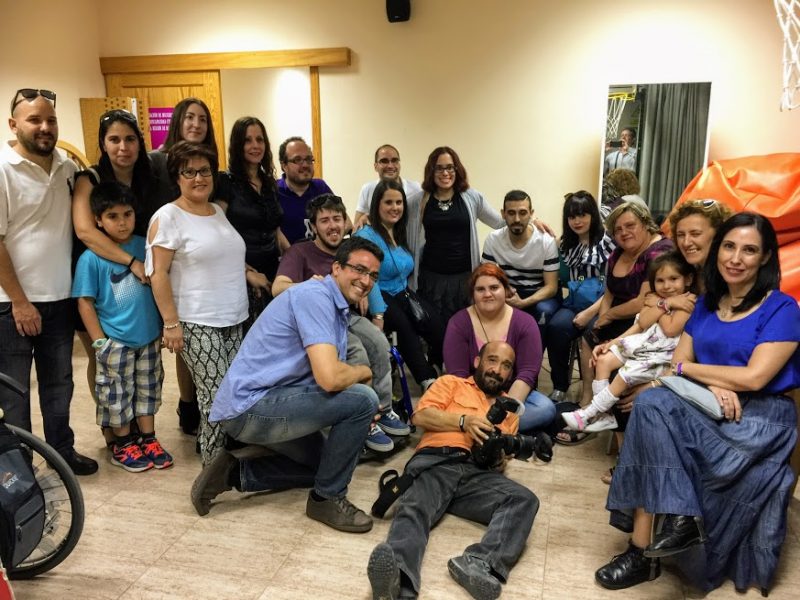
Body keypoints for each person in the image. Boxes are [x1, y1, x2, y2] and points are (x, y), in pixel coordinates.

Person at [596, 213, 799, 595]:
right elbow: (678, 364)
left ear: (766, 257)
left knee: (652, 404)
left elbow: (754, 378)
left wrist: (702, 374)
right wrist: (710, 383)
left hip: (759, 419)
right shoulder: (706, 304)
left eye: (749, 250)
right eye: (729, 246)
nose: (736, 258)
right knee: (652, 405)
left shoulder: (782, 309)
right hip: (711, 405)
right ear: (718, 251)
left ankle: (643, 552)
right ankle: (668, 528)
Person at [195, 238, 383, 534]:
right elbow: (331, 378)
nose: (366, 280)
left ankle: (235, 473)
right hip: (250, 407)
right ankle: (327, 498)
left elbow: (325, 376)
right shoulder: (316, 298)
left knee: (330, 463)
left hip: (266, 402)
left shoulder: (332, 304)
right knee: (363, 400)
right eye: (359, 269)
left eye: (373, 275)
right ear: (336, 268)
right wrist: (362, 372)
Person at [367, 341, 539, 600]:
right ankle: (398, 580)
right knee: (415, 509)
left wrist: (497, 455)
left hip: (477, 476)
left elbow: (501, 460)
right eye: (492, 360)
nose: (498, 370)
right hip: (438, 461)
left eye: (506, 366)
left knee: (524, 500)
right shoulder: (450, 383)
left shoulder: (509, 411)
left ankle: (479, 564)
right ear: (477, 362)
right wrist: (463, 422)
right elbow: (420, 416)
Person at [0, 88, 97, 476]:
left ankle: (61, 454)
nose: (44, 127)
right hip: (11, 306)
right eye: (34, 120)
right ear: (13, 125)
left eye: (51, 120)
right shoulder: (3, 169)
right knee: (15, 393)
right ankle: (18, 468)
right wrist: (21, 302)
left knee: (59, 387)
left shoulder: (67, 169)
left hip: (59, 298)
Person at [272, 194, 408, 453]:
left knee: (379, 342)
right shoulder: (299, 251)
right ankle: (366, 419)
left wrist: (377, 314)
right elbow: (279, 288)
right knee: (356, 350)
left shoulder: (353, 249)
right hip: (318, 319)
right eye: (324, 220)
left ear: (346, 221)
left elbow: (372, 278)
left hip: (349, 316)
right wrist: (320, 285)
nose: (333, 225)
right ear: (313, 226)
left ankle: (384, 409)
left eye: (337, 218)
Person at [72, 108, 174, 446]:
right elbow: (85, 231)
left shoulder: (150, 177)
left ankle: (142, 434)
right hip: (103, 274)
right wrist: (129, 260)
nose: (123, 147)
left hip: (140, 282)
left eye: (130, 139)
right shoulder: (91, 178)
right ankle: (116, 435)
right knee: (106, 366)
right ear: (103, 144)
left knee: (142, 372)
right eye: (114, 139)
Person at [147, 141, 253, 465]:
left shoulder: (217, 211)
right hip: (196, 322)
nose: (198, 177)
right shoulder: (168, 217)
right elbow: (158, 273)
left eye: (204, 170)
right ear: (176, 177)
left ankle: (229, 462)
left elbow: (222, 255)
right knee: (215, 398)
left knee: (234, 393)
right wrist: (171, 323)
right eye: (189, 171)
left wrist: (252, 274)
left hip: (234, 317)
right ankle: (211, 471)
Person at [562, 251, 695, 432]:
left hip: (661, 354)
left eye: (673, 279)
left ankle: (589, 414)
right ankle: (606, 414)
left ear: (687, 279)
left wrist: (664, 304)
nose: (667, 286)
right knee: (603, 360)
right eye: (660, 281)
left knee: (623, 376)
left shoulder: (686, 302)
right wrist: (614, 342)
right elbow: (643, 323)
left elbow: (670, 329)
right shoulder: (660, 300)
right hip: (643, 343)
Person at [149, 97, 219, 435]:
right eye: (189, 118)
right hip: (172, 258)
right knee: (185, 342)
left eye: (202, 119)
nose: (195, 124)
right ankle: (188, 407)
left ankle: (197, 410)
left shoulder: (212, 168)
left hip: (205, 266)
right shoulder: (157, 163)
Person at [578, 202, 673, 405]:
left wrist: (609, 316)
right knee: (589, 333)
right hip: (620, 314)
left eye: (630, 225)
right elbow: (609, 292)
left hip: (649, 320)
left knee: (609, 354)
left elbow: (642, 301)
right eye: (618, 229)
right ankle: (588, 398)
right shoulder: (617, 253)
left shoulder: (659, 252)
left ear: (646, 224)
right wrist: (601, 321)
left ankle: (608, 407)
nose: (624, 233)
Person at [444, 264, 557, 434]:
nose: (487, 294)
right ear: (473, 295)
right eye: (480, 289)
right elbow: (457, 376)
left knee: (545, 408)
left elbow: (527, 373)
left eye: (494, 288)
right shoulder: (458, 323)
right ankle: (497, 432)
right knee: (440, 403)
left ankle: (482, 430)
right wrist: (477, 408)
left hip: (510, 394)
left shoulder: (525, 322)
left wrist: (502, 410)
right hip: (470, 395)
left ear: (506, 290)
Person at [354, 179, 443, 393]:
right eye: (388, 203)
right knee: (404, 328)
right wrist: (378, 315)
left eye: (399, 202)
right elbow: (368, 276)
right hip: (379, 292)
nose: (395, 208)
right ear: (377, 205)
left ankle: (452, 371)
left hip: (402, 292)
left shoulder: (400, 232)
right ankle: (426, 379)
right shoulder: (365, 234)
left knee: (438, 325)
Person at [407, 146, 504, 323]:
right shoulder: (418, 201)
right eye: (439, 168)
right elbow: (392, 219)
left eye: (450, 167)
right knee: (436, 333)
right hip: (431, 281)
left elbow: (499, 223)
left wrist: (532, 220)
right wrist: (367, 216)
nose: (445, 172)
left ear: (457, 169)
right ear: (431, 170)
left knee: (464, 330)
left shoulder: (472, 197)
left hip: (464, 279)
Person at [544, 191, 614, 404]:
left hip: (602, 305)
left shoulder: (608, 243)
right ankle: (559, 386)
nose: (578, 221)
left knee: (591, 334)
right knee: (555, 327)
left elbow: (613, 288)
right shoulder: (565, 244)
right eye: (572, 216)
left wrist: (589, 312)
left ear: (593, 215)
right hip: (574, 303)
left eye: (583, 215)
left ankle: (591, 394)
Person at [216, 116, 285, 329]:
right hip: (240, 273)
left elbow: (275, 230)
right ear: (238, 145)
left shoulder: (269, 183)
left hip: (272, 269)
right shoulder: (225, 182)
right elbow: (218, 234)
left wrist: (296, 258)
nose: (255, 146)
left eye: (260, 140)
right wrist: (246, 272)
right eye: (248, 140)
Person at [481, 189, 560, 337]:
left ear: (531, 213)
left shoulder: (545, 241)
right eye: (511, 213)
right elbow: (487, 277)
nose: (517, 219)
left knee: (543, 312)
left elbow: (551, 287)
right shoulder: (493, 240)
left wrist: (524, 303)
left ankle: (532, 358)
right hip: (509, 292)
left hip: (540, 295)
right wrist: (505, 290)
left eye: (523, 213)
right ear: (503, 214)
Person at [276, 136, 337, 245]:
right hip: (286, 259)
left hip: (320, 257)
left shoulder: (321, 187)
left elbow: (345, 223)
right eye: (297, 160)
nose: (305, 165)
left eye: (309, 159)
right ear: (283, 165)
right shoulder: (273, 192)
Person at [353, 144, 422, 229]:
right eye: (384, 161)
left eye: (394, 160)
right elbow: (356, 227)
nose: (390, 166)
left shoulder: (416, 189)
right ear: (375, 166)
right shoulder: (367, 189)